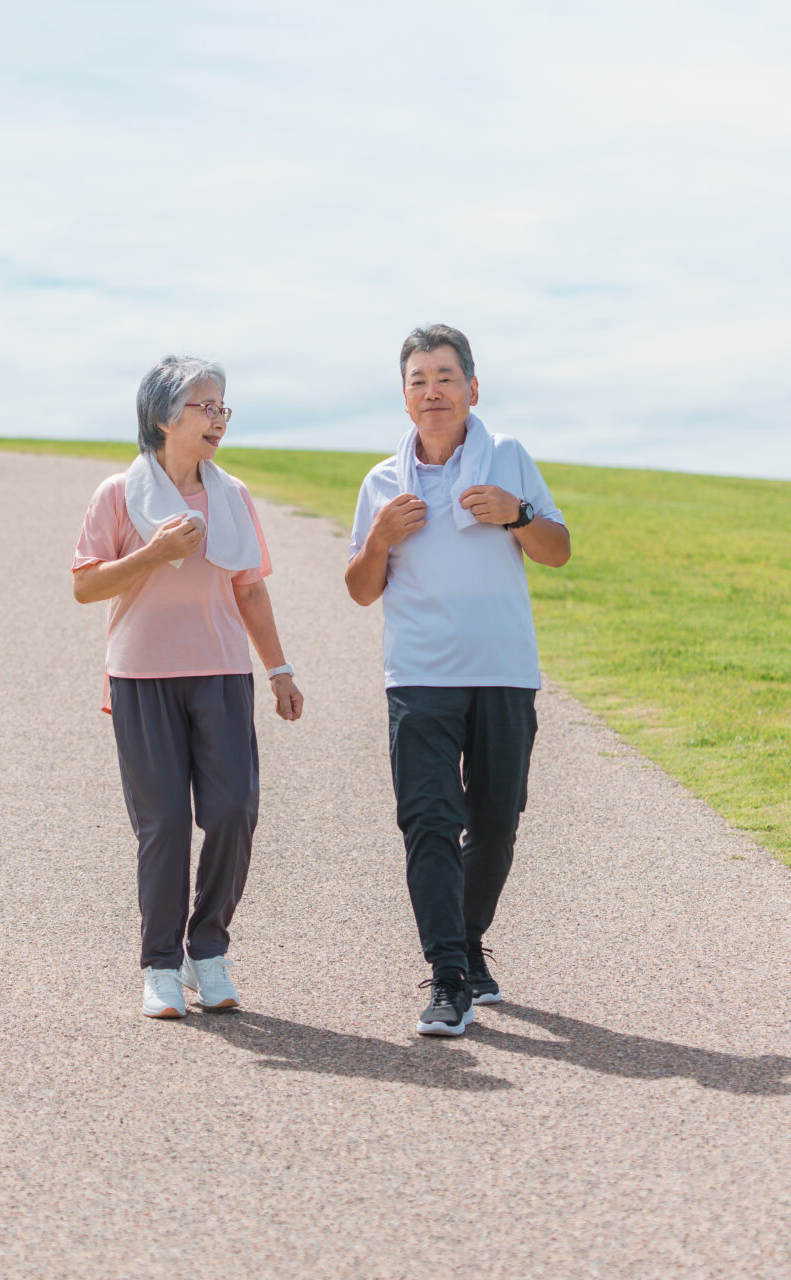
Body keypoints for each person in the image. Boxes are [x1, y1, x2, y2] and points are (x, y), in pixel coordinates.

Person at [345, 324, 571, 1036]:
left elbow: (558, 552)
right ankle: (448, 979)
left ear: (473, 389)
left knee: (496, 827)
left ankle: (468, 942)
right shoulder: (382, 482)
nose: (432, 389)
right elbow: (359, 589)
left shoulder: (508, 458)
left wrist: (518, 514)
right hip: (418, 676)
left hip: (504, 674)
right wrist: (379, 539)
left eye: (446, 376)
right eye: (419, 379)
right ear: (405, 396)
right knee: (430, 823)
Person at [73, 355, 304, 1019]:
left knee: (233, 811)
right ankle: (160, 965)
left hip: (224, 674)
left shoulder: (233, 498)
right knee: (167, 823)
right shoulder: (117, 495)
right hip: (142, 676)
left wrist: (280, 670)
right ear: (162, 417)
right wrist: (151, 554)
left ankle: (209, 950)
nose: (218, 419)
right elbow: (85, 584)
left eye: (223, 407)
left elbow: (250, 589)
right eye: (206, 406)